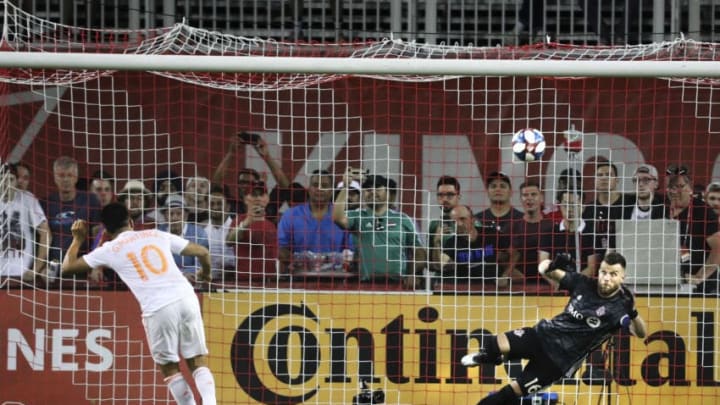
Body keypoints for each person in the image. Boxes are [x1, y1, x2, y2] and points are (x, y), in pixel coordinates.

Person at [60, 203, 217, 405]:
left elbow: (67, 268)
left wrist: (78, 239)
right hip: (186, 297)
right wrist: (206, 273)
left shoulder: (109, 249)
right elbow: (203, 252)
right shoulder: (156, 234)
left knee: (170, 368)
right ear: (131, 221)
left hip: (159, 308)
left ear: (106, 230)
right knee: (197, 360)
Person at [462, 251, 646, 404]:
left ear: (623, 277)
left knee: (509, 393)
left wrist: (634, 313)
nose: (606, 278)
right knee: (494, 343)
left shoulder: (621, 306)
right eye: (603, 272)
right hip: (541, 335)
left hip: (557, 361)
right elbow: (543, 269)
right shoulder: (583, 283)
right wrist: (553, 264)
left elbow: (641, 333)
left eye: (613, 274)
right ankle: (490, 357)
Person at [333, 173, 426, 288]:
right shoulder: (357, 216)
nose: (372, 191)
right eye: (368, 189)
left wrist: (413, 273)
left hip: (398, 286)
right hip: (366, 286)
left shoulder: (403, 219)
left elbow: (419, 251)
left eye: (377, 187)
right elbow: (337, 218)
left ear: (387, 192)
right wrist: (345, 187)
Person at [213, 132, 306, 223]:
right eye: (242, 182)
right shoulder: (231, 205)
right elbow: (216, 184)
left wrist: (267, 157)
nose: (245, 186)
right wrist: (231, 153)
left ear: (258, 185)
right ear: (237, 185)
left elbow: (287, 188)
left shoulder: (269, 206)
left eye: (249, 183)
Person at [278, 169, 353, 275]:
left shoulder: (343, 217)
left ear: (332, 190)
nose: (319, 188)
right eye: (315, 184)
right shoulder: (290, 215)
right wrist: (298, 262)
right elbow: (281, 248)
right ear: (308, 189)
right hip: (299, 279)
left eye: (325, 185)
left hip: (335, 279)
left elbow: (351, 251)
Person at [664, 164, 720, 294]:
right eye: (671, 187)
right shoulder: (662, 210)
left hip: (702, 289)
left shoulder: (703, 211)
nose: (674, 191)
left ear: (690, 187)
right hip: (668, 283)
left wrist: (700, 276)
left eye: (679, 186)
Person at [43, 156, 102, 262]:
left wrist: (96, 267)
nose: (65, 179)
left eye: (70, 175)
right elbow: (42, 238)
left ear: (76, 177)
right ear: (55, 177)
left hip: (81, 265)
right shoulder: (45, 203)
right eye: (61, 175)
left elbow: (98, 235)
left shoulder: (91, 200)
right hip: (53, 267)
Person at [0, 164, 51, 282]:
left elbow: (46, 234)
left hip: (21, 274)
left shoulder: (27, 199)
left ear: (16, 182)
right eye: (2, 179)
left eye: (10, 179)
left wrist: (35, 270)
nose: (6, 184)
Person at [438, 205, 504, 287]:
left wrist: (505, 275)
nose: (458, 224)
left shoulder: (491, 234)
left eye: (462, 219)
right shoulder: (451, 243)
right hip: (466, 287)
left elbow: (515, 254)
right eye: (454, 221)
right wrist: (436, 241)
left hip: (494, 286)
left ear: (472, 220)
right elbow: (440, 263)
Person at [539, 188, 599, 279]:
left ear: (582, 207)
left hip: (581, 285)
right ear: (560, 206)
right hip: (555, 286)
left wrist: (573, 284)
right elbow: (543, 265)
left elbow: (592, 268)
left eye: (573, 205)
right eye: (565, 205)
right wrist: (559, 283)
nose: (569, 209)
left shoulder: (592, 233)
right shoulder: (549, 232)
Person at [227, 180, 278, 281]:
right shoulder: (239, 220)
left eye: (262, 194)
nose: (258, 198)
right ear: (245, 199)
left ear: (267, 199)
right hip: (245, 281)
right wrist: (247, 221)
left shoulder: (271, 225)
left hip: (270, 281)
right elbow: (229, 241)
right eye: (254, 195)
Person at [509, 180, 554, 288]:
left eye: (533, 194)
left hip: (546, 285)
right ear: (521, 199)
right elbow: (504, 258)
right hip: (518, 286)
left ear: (541, 198)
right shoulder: (512, 227)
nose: (529, 198)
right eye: (525, 195)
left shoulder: (552, 227)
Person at [582, 161, 632, 255]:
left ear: (617, 180)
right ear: (594, 181)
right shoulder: (588, 210)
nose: (604, 178)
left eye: (609, 174)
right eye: (600, 175)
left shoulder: (629, 204)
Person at [158, 194, 210, 281]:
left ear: (186, 216)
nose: (174, 218)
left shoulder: (199, 234)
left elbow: (200, 264)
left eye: (179, 213)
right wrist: (181, 274)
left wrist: (184, 274)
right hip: (166, 280)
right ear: (165, 216)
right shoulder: (158, 234)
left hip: (192, 280)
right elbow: (157, 264)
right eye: (171, 213)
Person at [428, 176, 462, 272]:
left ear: (459, 197)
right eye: (440, 195)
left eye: (450, 195)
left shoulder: (473, 223)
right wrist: (436, 243)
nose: (444, 199)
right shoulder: (434, 225)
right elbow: (430, 265)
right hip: (440, 283)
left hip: (466, 283)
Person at [203, 185, 236, 281]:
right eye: (211, 204)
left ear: (228, 207)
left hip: (236, 283)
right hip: (208, 284)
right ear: (206, 207)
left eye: (219, 204)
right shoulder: (201, 231)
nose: (215, 207)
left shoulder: (238, 229)